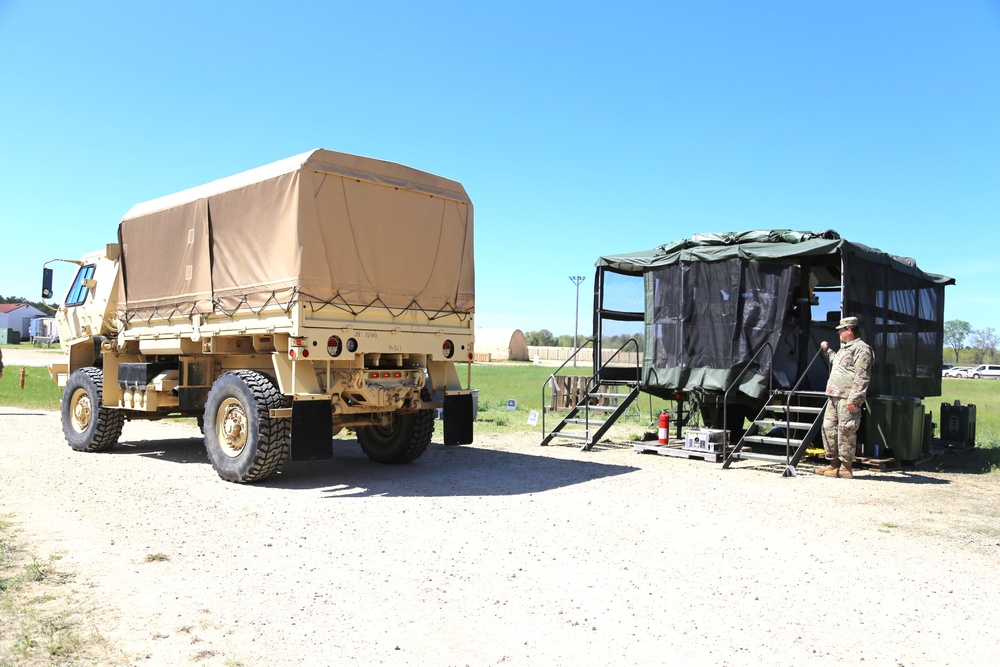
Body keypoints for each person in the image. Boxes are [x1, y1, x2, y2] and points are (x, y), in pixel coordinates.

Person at [816, 316, 873, 479]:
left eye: (841, 330)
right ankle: (833, 465)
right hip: (834, 396)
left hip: (847, 398)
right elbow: (838, 363)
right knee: (828, 428)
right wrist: (827, 350)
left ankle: (846, 467)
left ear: (849, 330)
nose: (839, 333)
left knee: (846, 430)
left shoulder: (862, 349)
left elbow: (862, 376)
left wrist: (854, 399)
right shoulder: (844, 348)